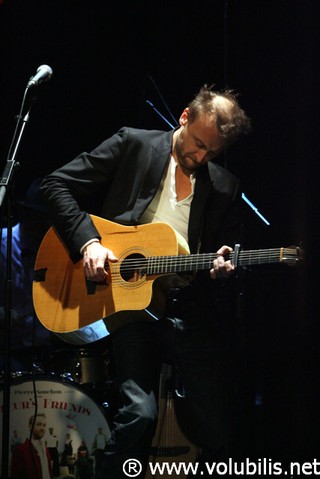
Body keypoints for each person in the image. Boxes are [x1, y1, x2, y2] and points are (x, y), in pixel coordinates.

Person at [40, 84, 251, 478]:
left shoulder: (225, 187)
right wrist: (89, 242)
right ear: (184, 117)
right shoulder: (134, 145)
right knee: (139, 414)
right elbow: (55, 185)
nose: (200, 156)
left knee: (222, 431)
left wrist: (222, 269)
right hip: (129, 303)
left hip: (187, 308)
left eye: (212, 152)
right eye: (198, 144)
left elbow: (223, 256)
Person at [0, 178, 65, 372]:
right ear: (27, 214)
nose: (46, 226)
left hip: (48, 351)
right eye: (41, 218)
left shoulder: (57, 251)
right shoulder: (2, 244)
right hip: (8, 352)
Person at [11, 412, 53, 479]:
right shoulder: (21, 451)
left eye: (44, 425)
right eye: (39, 424)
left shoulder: (45, 450)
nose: (42, 428)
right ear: (30, 426)